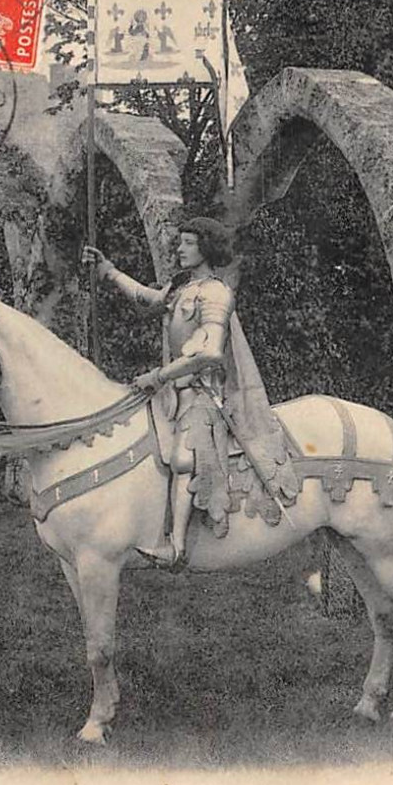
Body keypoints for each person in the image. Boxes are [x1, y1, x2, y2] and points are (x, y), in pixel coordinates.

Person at [83, 218, 298, 569]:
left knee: (184, 458)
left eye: (187, 243)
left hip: (203, 395)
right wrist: (109, 271)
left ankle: (176, 547)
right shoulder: (184, 287)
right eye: (180, 242)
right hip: (172, 395)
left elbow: (210, 351)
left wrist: (159, 374)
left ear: (206, 247)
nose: (180, 249)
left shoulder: (215, 293)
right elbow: (148, 299)